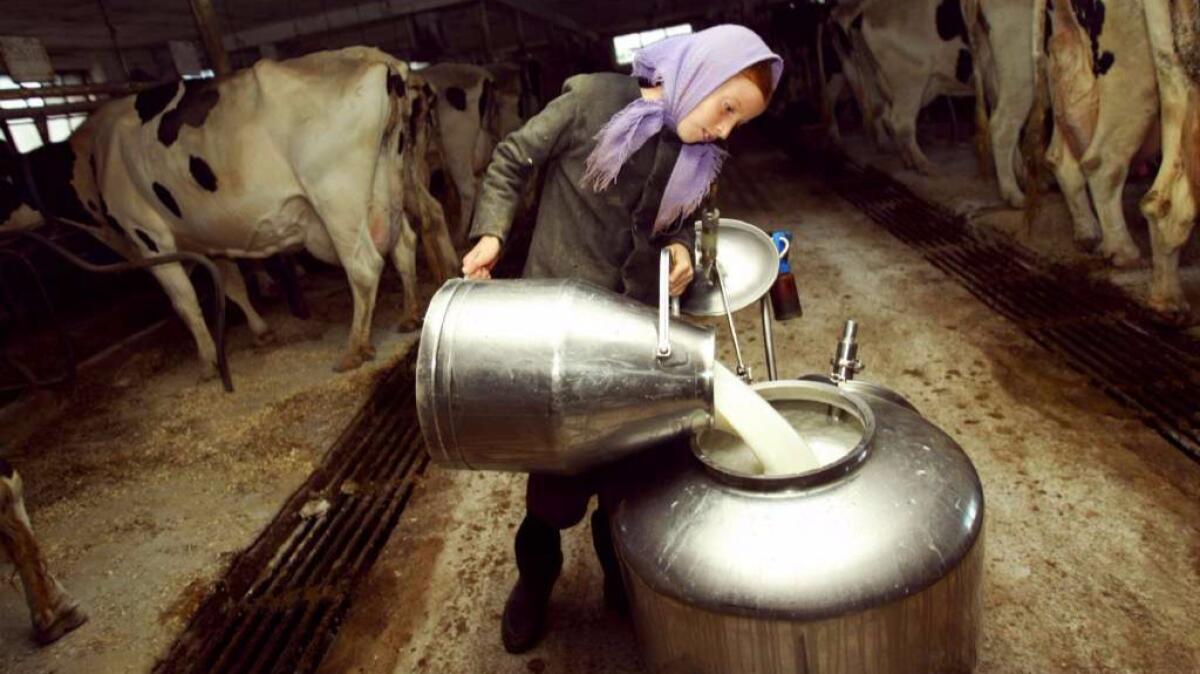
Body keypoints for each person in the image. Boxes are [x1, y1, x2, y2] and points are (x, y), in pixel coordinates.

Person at [460, 24, 783, 653]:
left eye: (738, 123)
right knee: (554, 490)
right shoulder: (591, 101)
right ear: (701, 73)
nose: (725, 131)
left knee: (628, 484)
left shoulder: (701, 157)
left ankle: (622, 585)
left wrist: (686, 252)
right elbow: (511, 159)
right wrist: (493, 234)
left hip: (636, 333)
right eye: (726, 109)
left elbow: (698, 224)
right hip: (559, 334)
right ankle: (534, 584)